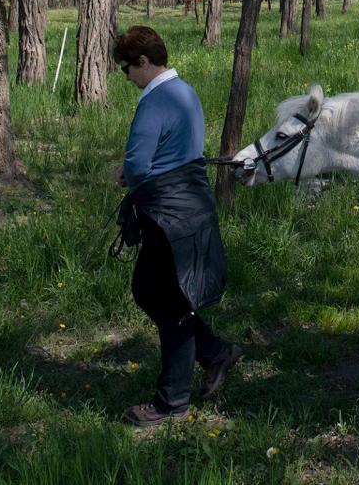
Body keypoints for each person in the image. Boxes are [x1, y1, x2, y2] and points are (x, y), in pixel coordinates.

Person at [113, 26, 243, 427]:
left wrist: (126, 175)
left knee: (168, 302)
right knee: (156, 292)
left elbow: (137, 164)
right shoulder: (185, 91)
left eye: (126, 70)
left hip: (166, 215)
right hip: (191, 209)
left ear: (143, 62)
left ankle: (172, 403)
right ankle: (216, 351)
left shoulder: (154, 101)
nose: (127, 79)